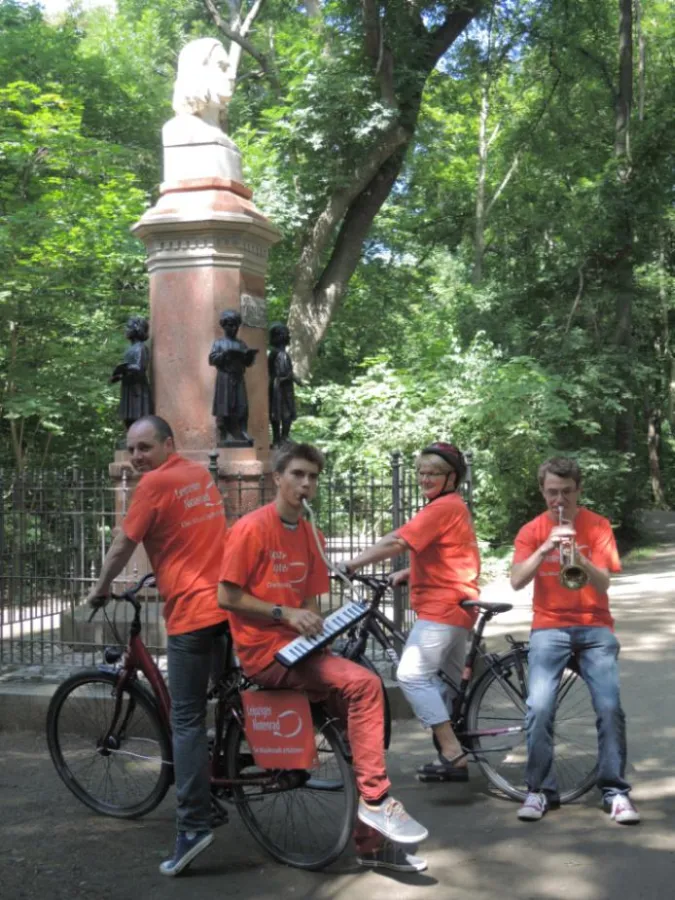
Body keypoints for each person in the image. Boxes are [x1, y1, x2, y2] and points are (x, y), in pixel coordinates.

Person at [218, 441, 429, 874]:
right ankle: (375, 800)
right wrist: (284, 613)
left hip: (301, 651)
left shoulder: (311, 533)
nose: (305, 484)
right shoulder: (252, 528)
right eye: (297, 474)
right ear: (277, 478)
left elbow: (310, 599)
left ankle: (370, 843)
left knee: (359, 733)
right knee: (365, 684)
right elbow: (227, 595)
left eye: (312, 477)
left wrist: (321, 630)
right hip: (264, 651)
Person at [86, 415, 229, 875]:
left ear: (169, 443)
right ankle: (220, 782)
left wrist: (100, 587)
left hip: (193, 612)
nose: (136, 457)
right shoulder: (198, 474)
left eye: (145, 447)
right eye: (131, 449)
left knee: (184, 717)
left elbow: (122, 547)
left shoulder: (151, 487)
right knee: (221, 697)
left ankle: (193, 824)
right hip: (229, 603)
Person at [510, 456, 639, 825]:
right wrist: (545, 548)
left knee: (610, 708)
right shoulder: (532, 530)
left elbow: (604, 583)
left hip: (595, 626)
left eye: (567, 492)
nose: (560, 500)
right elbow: (517, 580)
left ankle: (615, 792)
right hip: (549, 627)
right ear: (542, 491)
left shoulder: (597, 526)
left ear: (579, 490)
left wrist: (580, 560)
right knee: (538, 708)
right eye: (552, 492)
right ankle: (538, 790)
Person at [343, 442, 480, 782]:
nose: (424, 478)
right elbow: (449, 554)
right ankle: (453, 758)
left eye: (433, 472)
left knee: (411, 675)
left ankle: (451, 750)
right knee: (447, 686)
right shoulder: (449, 507)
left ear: (452, 477)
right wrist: (411, 573)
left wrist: (351, 563)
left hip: (443, 608)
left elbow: (397, 542)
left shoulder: (443, 507)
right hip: (458, 603)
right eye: (421, 472)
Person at [209, 309, 258, 445]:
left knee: (241, 405)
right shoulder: (219, 343)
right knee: (225, 406)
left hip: (238, 378)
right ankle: (225, 433)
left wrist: (248, 357)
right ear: (224, 326)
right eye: (230, 325)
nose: (233, 328)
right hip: (225, 378)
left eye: (235, 325)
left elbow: (248, 363)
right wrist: (225, 355)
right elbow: (212, 359)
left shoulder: (241, 344)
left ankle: (242, 431)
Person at [110, 315, 153, 431]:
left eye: (128, 327)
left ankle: (139, 434)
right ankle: (130, 436)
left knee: (137, 415)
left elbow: (140, 367)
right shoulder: (130, 349)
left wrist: (125, 367)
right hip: (128, 387)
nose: (126, 329)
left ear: (136, 329)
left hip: (137, 389)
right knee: (128, 416)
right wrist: (118, 376)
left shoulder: (140, 348)